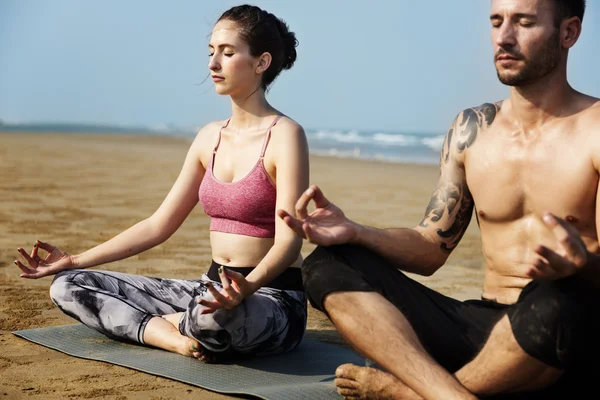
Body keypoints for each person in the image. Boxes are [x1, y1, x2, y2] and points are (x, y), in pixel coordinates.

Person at [278, 0, 599, 398]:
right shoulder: (473, 129)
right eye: (496, 22)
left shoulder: (595, 130)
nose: (504, 37)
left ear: (568, 33)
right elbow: (432, 248)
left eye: (524, 22)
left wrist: (582, 266)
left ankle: (407, 393)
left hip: (567, 334)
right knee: (329, 264)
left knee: (559, 298)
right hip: (486, 325)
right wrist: (356, 233)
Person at [14, 4, 309, 363]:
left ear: (261, 62)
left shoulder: (286, 136)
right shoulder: (209, 137)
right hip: (210, 287)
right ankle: (174, 340)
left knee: (210, 316)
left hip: (271, 298)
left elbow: (290, 240)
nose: (213, 64)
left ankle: (156, 327)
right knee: (70, 285)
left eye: (227, 53)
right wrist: (75, 259)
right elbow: (158, 225)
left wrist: (246, 287)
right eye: (211, 51)